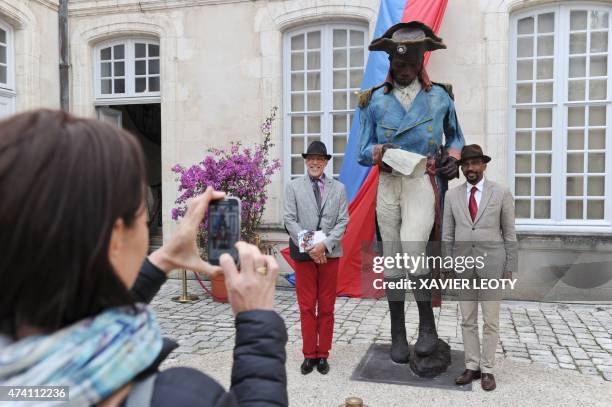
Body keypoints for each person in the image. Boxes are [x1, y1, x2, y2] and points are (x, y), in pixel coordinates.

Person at [0, 110, 288, 406]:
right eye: (142, 211)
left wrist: (161, 261)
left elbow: (79, 309)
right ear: (115, 238)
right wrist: (257, 320)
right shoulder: (182, 397)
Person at [357, 21, 465, 366]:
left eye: (410, 64)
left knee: (413, 250)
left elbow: (456, 138)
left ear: (422, 63)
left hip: (421, 180)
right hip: (388, 183)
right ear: (390, 62)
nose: (403, 71)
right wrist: (378, 152)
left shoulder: (440, 97)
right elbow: (361, 150)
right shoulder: (374, 101)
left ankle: (428, 328)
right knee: (392, 259)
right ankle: (398, 333)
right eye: (398, 64)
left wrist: (453, 159)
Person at [442, 144, 517, 391]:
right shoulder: (451, 195)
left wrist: (510, 264)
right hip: (463, 265)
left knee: (491, 320)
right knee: (467, 319)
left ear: (484, 165)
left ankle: (488, 369)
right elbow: (448, 235)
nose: (470, 168)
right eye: (466, 164)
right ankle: (472, 366)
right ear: (462, 168)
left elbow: (509, 232)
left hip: (493, 266)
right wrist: (447, 263)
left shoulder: (501, 193)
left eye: (475, 163)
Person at [283, 141, 349, 375]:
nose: (315, 162)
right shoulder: (292, 187)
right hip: (305, 255)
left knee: (327, 307)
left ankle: (323, 354)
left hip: (330, 255)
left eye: (320, 159)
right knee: (307, 306)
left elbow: (343, 221)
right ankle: (309, 354)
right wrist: (312, 247)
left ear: (326, 162)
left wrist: (325, 246)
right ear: (305, 161)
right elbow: (290, 220)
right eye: (311, 158)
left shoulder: (338, 188)